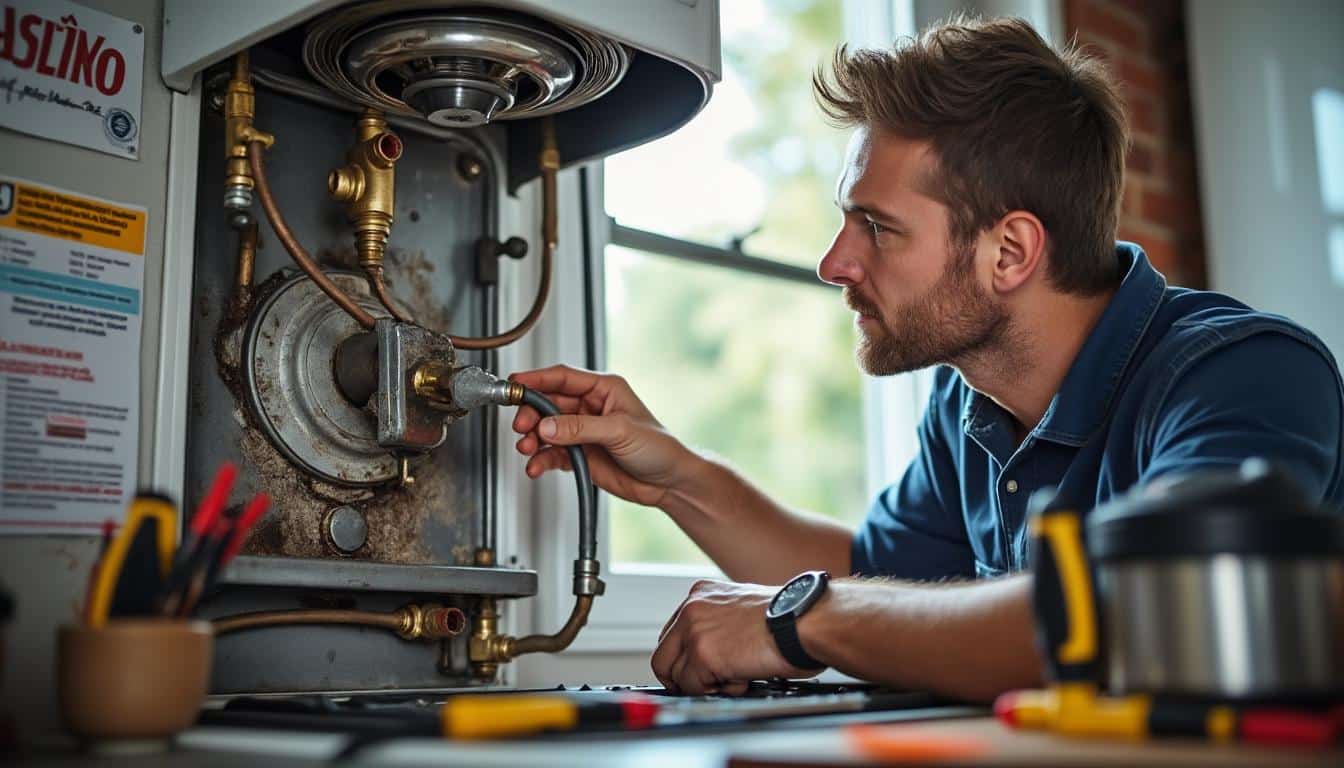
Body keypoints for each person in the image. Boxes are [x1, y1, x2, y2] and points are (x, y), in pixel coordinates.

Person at [509, 17, 1344, 701]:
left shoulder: (1244, 374)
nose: (833, 263)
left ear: (1010, 252)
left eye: (877, 226)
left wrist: (796, 621)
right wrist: (676, 480)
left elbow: (1146, 613)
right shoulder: (969, 405)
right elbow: (866, 578)